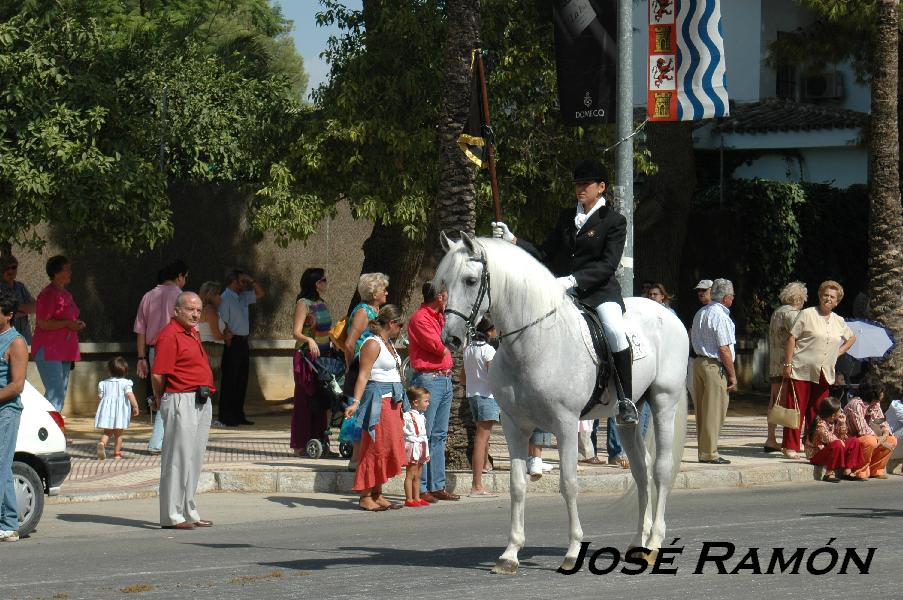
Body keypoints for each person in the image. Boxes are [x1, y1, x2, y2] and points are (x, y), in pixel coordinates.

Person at [492, 158, 639, 425]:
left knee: (615, 331)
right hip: (565, 292)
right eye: (577, 185)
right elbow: (545, 253)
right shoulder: (566, 217)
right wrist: (512, 240)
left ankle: (625, 399)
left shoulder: (614, 221)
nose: (580, 189)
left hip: (600, 292)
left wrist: (573, 280)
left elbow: (608, 265)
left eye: (586, 184)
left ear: (601, 187)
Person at [151, 292, 216, 529]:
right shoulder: (170, 334)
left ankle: (189, 509)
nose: (196, 314)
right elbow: (158, 374)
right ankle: (172, 515)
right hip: (181, 398)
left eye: (198, 310)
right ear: (176, 311)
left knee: (194, 458)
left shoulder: (192, 332)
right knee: (177, 459)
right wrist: (160, 399)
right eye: (190, 309)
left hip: (200, 399)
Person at [781, 280, 856, 459]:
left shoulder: (839, 320)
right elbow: (791, 339)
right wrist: (788, 364)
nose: (828, 299)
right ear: (820, 296)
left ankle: (813, 443)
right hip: (802, 368)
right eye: (825, 295)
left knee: (818, 411)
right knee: (796, 408)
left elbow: (851, 338)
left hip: (824, 372)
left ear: (837, 301)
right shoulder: (807, 314)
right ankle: (790, 446)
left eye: (832, 297)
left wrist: (837, 353)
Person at [344, 304, 407, 512]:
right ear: (391, 323)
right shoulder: (372, 344)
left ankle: (378, 493)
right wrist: (355, 401)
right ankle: (365, 495)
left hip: (393, 402)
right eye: (400, 325)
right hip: (378, 401)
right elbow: (363, 375)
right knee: (374, 447)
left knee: (387, 447)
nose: (401, 330)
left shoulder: (387, 342)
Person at [408, 281, 459, 502]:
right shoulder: (421, 318)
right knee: (424, 435)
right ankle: (422, 486)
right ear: (439, 296)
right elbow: (439, 347)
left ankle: (437, 484)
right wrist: (450, 342)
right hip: (430, 379)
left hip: (444, 379)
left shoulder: (441, 317)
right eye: (446, 293)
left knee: (438, 435)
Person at [134, 259, 188, 452]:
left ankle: (163, 440)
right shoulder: (181, 297)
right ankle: (158, 441)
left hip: (152, 350)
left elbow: (140, 329)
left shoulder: (148, 296)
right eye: (185, 277)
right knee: (172, 394)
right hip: (175, 349)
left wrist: (141, 358)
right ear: (179, 276)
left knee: (160, 394)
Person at [690, 278, 737, 464]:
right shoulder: (721, 316)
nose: (733, 299)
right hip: (714, 366)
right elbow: (724, 348)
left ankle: (704, 451)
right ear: (726, 297)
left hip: (699, 362)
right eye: (732, 296)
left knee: (702, 410)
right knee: (714, 411)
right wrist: (732, 375)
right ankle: (709, 453)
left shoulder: (701, 313)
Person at [291, 268, 336, 456]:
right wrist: (309, 341)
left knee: (322, 400)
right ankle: (301, 444)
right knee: (305, 400)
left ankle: (321, 442)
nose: (326, 283)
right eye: (324, 280)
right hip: (307, 357)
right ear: (317, 283)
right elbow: (296, 331)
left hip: (324, 355)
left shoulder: (321, 303)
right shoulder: (303, 303)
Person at [32, 255, 84, 413]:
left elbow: (69, 318)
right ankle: (49, 433)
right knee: (56, 395)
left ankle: (48, 431)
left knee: (57, 394)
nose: (70, 272)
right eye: (66, 269)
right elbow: (43, 323)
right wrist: (68, 324)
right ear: (56, 272)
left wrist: (76, 324)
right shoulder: (47, 294)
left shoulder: (66, 294)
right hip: (49, 350)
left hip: (64, 350)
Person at [764, 281, 807, 453]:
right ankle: (790, 440)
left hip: (774, 362)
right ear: (800, 298)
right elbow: (799, 336)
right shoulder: (793, 314)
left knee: (774, 401)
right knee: (790, 402)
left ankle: (771, 438)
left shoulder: (777, 312)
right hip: (789, 363)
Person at [218, 269, 264, 427]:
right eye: (241, 281)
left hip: (243, 341)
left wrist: (250, 279)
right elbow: (223, 322)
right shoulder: (225, 298)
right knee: (230, 380)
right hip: (233, 342)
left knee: (242, 380)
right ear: (233, 282)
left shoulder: (242, 297)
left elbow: (260, 293)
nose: (244, 284)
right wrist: (228, 343)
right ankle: (226, 415)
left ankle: (238, 414)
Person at [0, 289, 28, 542]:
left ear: (8, 314)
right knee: (3, 466)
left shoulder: (16, 342)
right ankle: (9, 523)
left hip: (6, 411)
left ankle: (7, 523)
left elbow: (16, 385)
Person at [462, 316, 499, 497]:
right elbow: (494, 377)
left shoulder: (468, 349)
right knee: (481, 439)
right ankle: (477, 485)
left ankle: (484, 467)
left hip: (473, 395)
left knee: (482, 437)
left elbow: (462, 377)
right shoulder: (489, 350)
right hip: (487, 396)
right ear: (489, 331)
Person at [843, 374, 897, 480]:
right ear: (873, 392)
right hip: (850, 440)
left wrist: (885, 434)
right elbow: (863, 431)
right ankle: (859, 470)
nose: (883, 393)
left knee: (892, 440)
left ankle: (876, 469)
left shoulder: (875, 404)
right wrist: (882, 442)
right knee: (869, 440)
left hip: (871, 437)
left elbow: (882, 422)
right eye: (881, 391)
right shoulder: (856, 404)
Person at [805, 396, 864, 483]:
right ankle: (829, 473)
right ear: (833, 415)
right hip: (817, 455)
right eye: (839, 410)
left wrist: (842, 423)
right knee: (837, 444)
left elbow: (843, 437)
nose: (841, 412)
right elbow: (830, 439)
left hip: (830, 450)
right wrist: (840, 441)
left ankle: (847, 471)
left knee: (854, 441)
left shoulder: (833, 421)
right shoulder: (820, 425)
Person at [94, 356, 139, 460]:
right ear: (125, 371)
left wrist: (98, 409)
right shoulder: (126, 383)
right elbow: (130, 395)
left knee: (107, 432)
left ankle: (102, 443)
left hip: (107, 411)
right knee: (118, 434)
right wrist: (135, 406)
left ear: (109, 371)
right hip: (120, 413)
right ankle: (117, 453)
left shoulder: (103, 383)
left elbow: (100, 398)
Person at [198, 281, 230, 422]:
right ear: (210, 295)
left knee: (207, 381)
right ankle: (206, 416)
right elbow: (216, 334)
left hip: (208, 348)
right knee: (210, 382)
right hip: (212, 349)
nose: (220, 297)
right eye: (217, 294)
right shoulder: (210, 310)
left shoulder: (202, 309)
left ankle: (204, 414)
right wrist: (227, 336)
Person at [343, 273, 389, 367]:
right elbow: (349, 344)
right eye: (384, 290)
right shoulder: (363, 312)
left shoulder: (375, 310)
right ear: (374, 294)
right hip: (361, 366)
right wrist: (350, 369)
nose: (387, 293)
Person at [402, 386, 431, 507]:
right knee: (411, 474)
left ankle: (417, 497)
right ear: (415, 402)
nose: (428, 404)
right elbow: (404, 430)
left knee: (418, 474)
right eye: (426, 401)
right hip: (413, 445)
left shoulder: (421, 416)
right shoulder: (407, 416)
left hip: (421, 446)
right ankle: (409, 499)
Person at [0, 255, 35, 345]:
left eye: (14, 267)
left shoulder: (20, 287)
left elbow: (35, 307)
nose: (11, 271)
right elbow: (3, 314)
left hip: (24, 335)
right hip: (5, 337)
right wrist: (24, 310)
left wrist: (15, 308)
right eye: (7, 268)